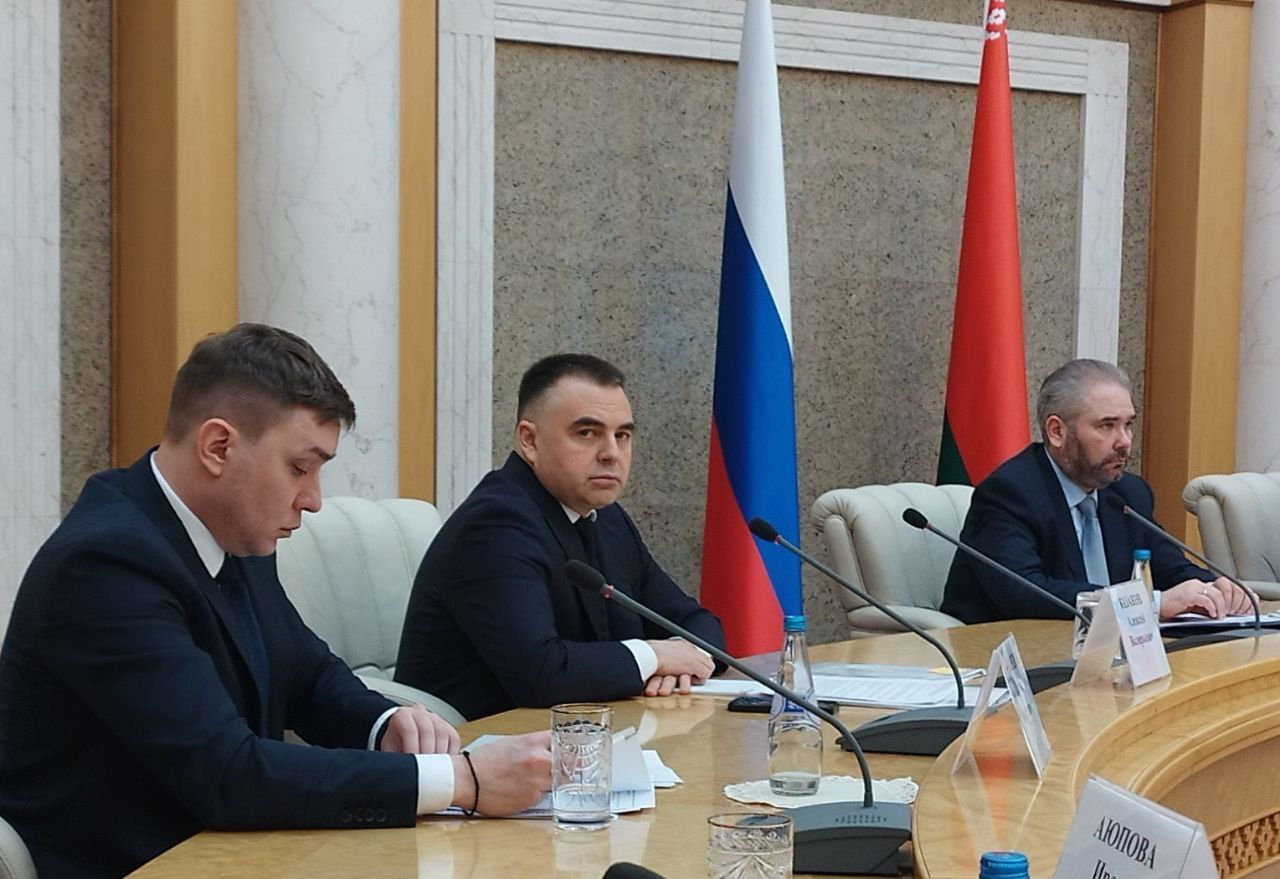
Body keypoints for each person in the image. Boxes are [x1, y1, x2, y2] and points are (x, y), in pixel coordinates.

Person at [0, 324, 551, 878]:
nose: (313, 500)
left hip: (240, 854)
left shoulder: (228, 530)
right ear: (218, 447)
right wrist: (461, 780)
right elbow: (225, 773)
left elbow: (308, 674)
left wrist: (385, 723)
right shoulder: (106, 564)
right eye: (299, 468)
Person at [395, 354, 725, 720]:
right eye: (587, 433)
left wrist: (686, 656)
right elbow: (540, 672)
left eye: (622, 435)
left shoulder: (608, 519)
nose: (611, 454)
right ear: (530, 441)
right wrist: (656, 657)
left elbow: (695, 621)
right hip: (479, 742)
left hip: (585, 735)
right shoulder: (495, 524)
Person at [941, 358, 1254, 624]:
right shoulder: (1010, 494)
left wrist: (1214, 588)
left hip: (1104, 656)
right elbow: (1025, 594)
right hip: (1010, 660)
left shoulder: (1127, 493)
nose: (1124, 442)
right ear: (1057, 431)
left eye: (1128, 424)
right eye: (1107, 426)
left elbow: (1168, 566)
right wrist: (1150, 605)